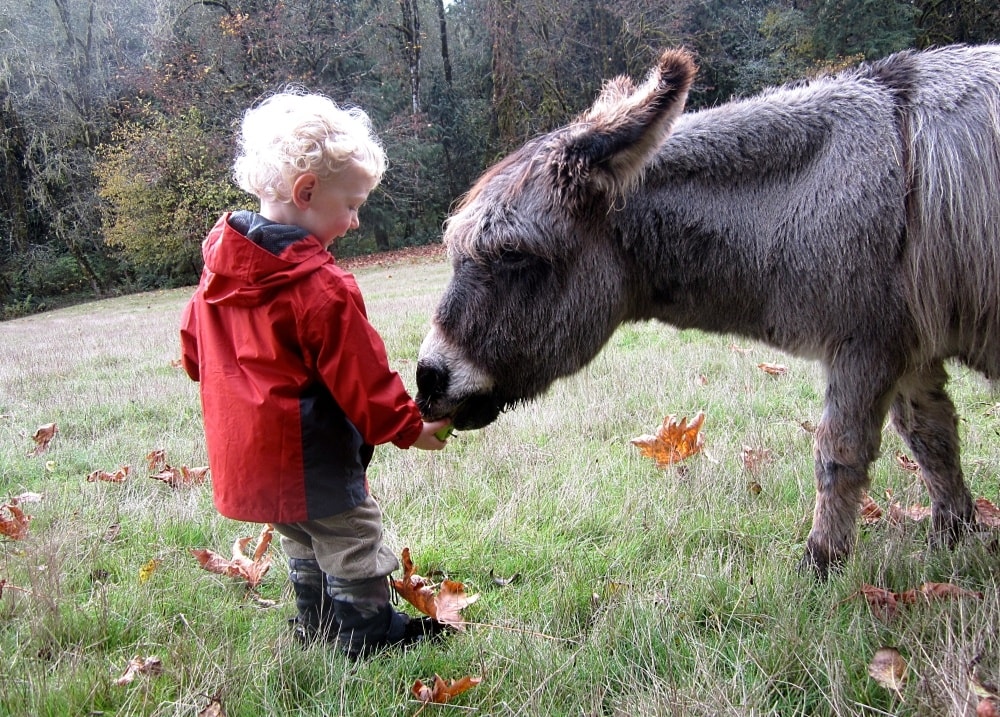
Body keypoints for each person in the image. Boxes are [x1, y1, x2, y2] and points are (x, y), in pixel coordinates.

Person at [179, 89, 451, 659]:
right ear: (306, 193)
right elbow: (363, 378)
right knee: (351, 536)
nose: (355, 221)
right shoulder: (319, 287)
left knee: (302, 537)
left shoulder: (217, 272)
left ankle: (318, 625)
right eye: (351, 205)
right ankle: (366, 636)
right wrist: (409, 427)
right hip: (311, 455)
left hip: (249, 460)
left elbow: (193, 352)